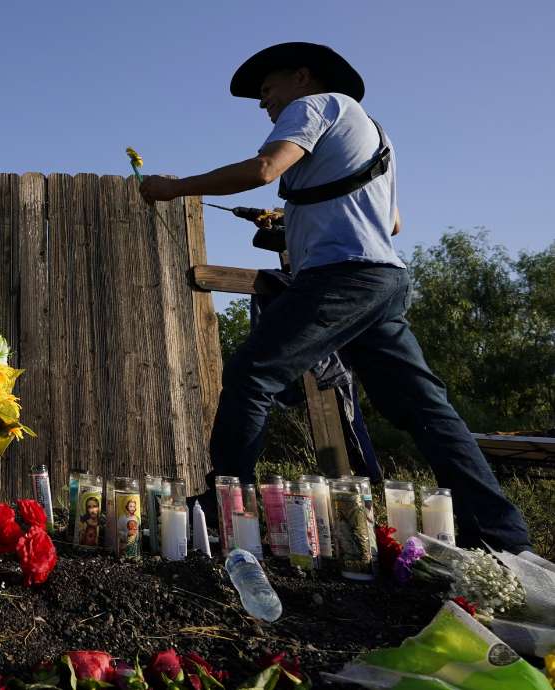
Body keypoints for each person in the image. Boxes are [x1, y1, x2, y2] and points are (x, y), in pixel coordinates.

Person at [137, 42, 531, 553]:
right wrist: (290, 220)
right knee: (423, 407)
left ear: (302, 77)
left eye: (267, 90)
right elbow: (391, 222)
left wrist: (173, 187)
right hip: (382, 281)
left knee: (252, 373)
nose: (264, 104)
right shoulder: (375, 132)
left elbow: (263, 169)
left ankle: (221, 511)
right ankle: (502, 538)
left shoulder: (317, 105)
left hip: (342, 279)